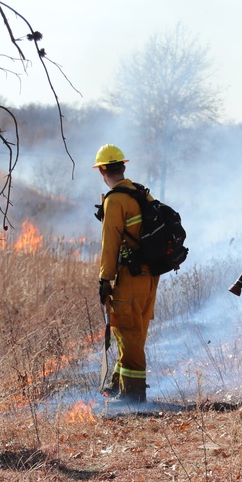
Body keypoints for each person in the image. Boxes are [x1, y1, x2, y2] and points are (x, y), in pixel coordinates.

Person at [94, 144, 160, 404]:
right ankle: (120, 385)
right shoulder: (140, 193)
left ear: (102, 170)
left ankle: (134, 395)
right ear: (123, 166)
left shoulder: (115, 200)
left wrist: (104, 278)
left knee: (128, 331)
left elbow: (110, 244)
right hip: (151, 277)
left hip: (131, 277)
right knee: (134, 330)